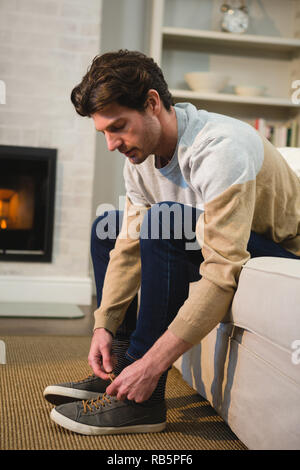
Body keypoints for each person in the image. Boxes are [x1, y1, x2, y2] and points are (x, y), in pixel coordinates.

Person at [44, 50, 300, 436]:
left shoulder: (220, 147)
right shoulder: (140, 158)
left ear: (151, 103)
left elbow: (221, 270)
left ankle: (140, 398)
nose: (112, 144)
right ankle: (116, 372)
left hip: (283, 252)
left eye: (119, 127)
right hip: (211, 238)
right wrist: (104, 326)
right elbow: (128, 245)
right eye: (104, 133)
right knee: (110, 227)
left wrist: (152, 363)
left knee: (167, 222)